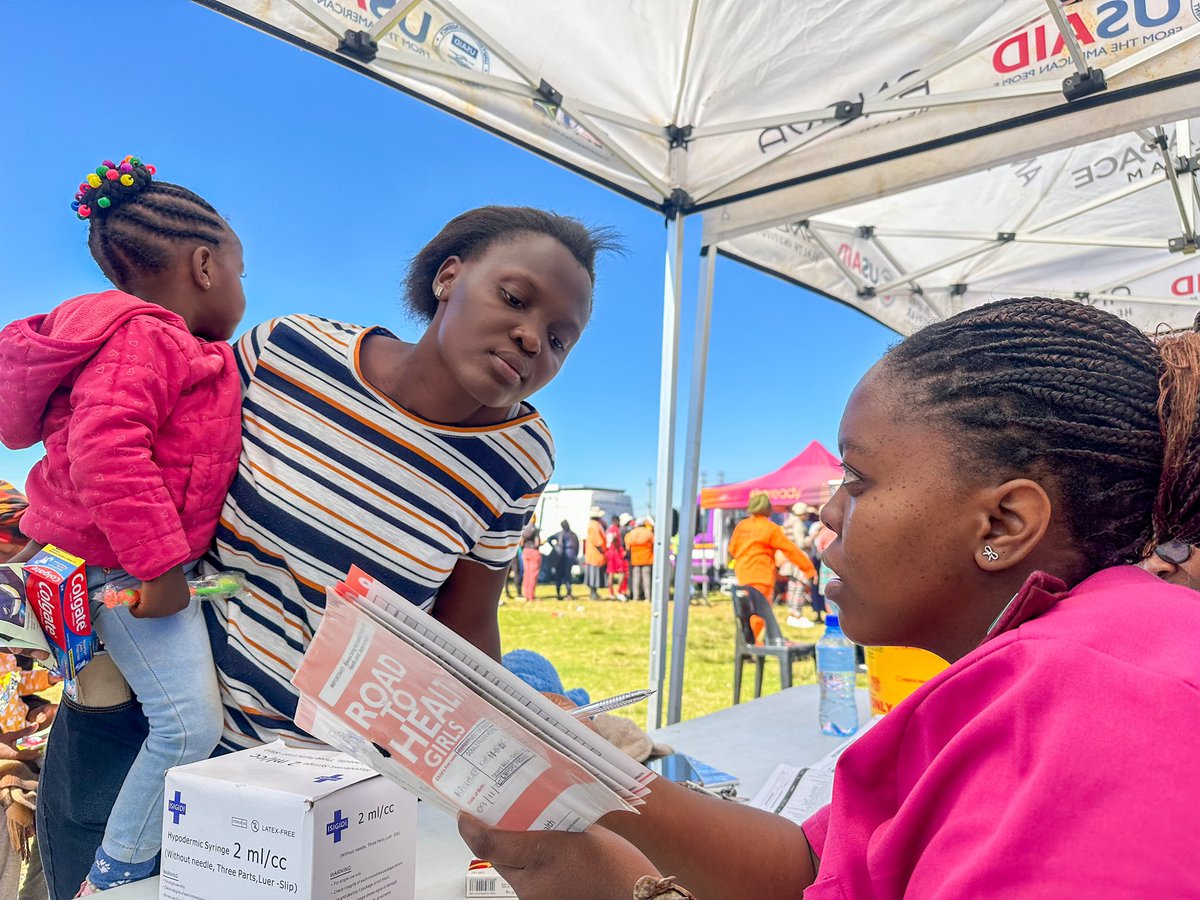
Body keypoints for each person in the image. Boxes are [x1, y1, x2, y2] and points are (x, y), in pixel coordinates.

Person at [456, 297, 1200, 899]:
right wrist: (584, 779)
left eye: (860, 480)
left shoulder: (1102, 705)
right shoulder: (1051, 665)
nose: (829, 514)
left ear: (1004, 521)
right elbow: (816, 868)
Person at [29, 204, 619, 899]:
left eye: (559, 339)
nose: (530, 339)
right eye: (515, 300)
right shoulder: (286, 355)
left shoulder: (519, 455)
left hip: (316, 796)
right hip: (146, 734)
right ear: (448, 277)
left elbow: (465, 625)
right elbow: (123, 451)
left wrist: (509, 758)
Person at [0, 157, 245, 895]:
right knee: (185, 727)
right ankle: (116, 875)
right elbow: (109, 448)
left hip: (94, 568)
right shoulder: (148, 339)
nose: (241, 286)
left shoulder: (138, 340)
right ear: (204, 265)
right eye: (240, 268)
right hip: (122, 571)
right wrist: (163, 571)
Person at [727, 492, 815, 609]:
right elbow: (791, 550)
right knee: (760, 612)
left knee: (749, 609)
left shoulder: (741, 526)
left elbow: (732, 550)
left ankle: (748, 628)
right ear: (767, 508)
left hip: (743, 574)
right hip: (762, 575)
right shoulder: (771, 528)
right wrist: (809, 569)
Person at [624, 517, 655, 601]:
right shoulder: (648, 533)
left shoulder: (631, 534)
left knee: (636, 578)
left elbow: (627, 546)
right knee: (647, 579)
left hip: (635, 559)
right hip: (647, 559)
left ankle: (635, 597)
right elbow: (654, 544)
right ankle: (648, 597)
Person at [547, 520, 579, 599]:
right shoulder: (565, 534)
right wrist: (555, 547)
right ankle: (560, 593)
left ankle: (567, 593)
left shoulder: (571, 535)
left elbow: (577, 546)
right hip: (561, 557)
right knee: (561, 576)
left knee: (565, 576)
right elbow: (549, 539)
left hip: (566, 557)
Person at [583, 507, 607, 600]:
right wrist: (602, 550)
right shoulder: (595, 525)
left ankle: (594, 593)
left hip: (593, 555)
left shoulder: (593, 524)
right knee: (594, 576)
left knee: (593, 575)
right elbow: (597, 541)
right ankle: (593, 594)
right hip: (595, 555)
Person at [606, 514, 630, 600]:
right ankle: (619, 591)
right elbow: (614, 539)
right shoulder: (616, 530)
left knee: (611, 573)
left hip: (609, 553)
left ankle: (611, 593)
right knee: (622, 572)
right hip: (615, 553)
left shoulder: (608, 530)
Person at [521, 519, 544, 602]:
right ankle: (531, 596)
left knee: (526, 574)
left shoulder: (524, 529)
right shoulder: (535, 529)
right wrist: (542, 543)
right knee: (533, 575)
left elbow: (521, 543)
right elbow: (537, 543)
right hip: (534, 552)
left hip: (526, 551)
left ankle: (525, 594)